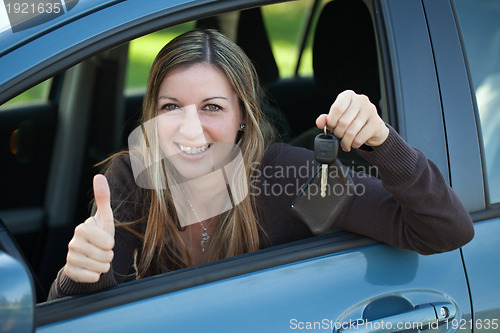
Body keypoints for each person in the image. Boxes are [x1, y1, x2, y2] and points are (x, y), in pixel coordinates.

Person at [48, 29, 474, 300]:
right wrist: (80, 273)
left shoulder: (286, 181)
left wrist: (382, 143)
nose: (190, 130)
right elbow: (77, 313)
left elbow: (444, 228)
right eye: (171, 107)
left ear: (241, 120)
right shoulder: (131, 180)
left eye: (212, 107)